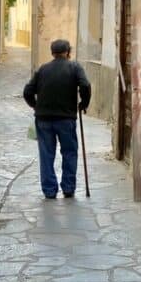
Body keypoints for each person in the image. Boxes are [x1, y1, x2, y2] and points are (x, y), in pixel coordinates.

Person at [23, 39, 91, 199]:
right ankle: (68, 188)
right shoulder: (74, 67)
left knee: (46, 154)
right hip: (66, 119)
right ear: (68, 52)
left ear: (52, 53)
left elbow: (27, 91)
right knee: (69, 152)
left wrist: (35, 105)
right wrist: (83, 103)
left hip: (43, 118)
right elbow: (85, 85)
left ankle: (49, 190)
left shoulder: (43, 69)